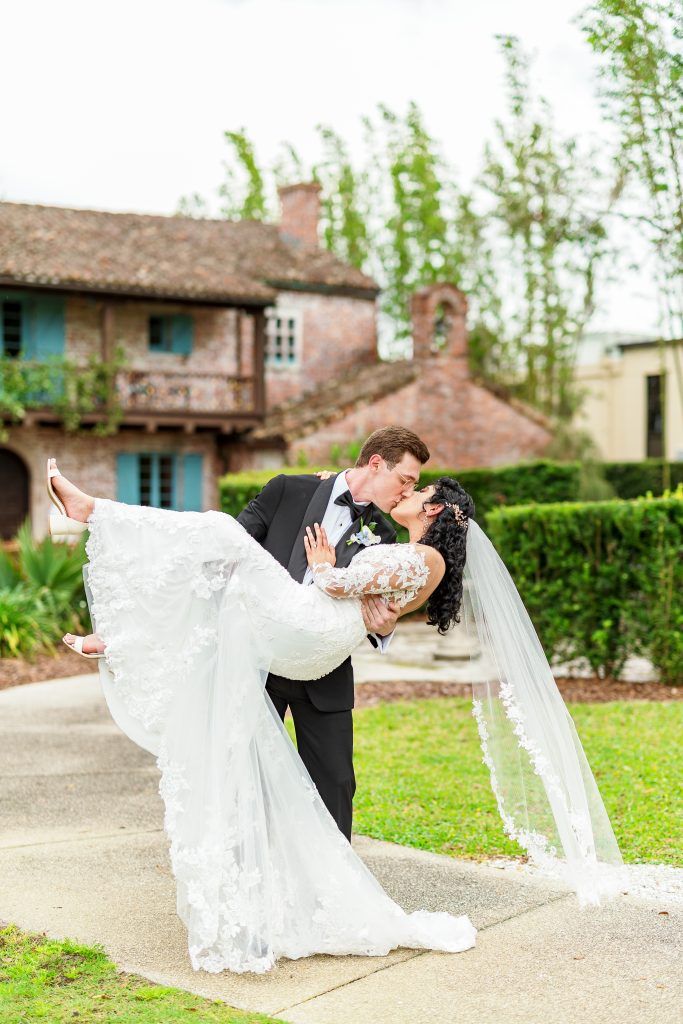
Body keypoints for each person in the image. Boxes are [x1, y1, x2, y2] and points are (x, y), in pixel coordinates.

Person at [47, 452, 625, 975]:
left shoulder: (421, 554)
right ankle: (119, 635)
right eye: (406, 477)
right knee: (222, 609)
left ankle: (93, 512)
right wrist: (366, 600)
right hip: (304, 631)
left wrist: (328, 568)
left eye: (418, 488)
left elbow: (343, 585)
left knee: (220, 534)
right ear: (376, 460)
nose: (408, 491)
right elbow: (371, 598)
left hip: (311, 631)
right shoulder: (346, 515)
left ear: (438, 509)